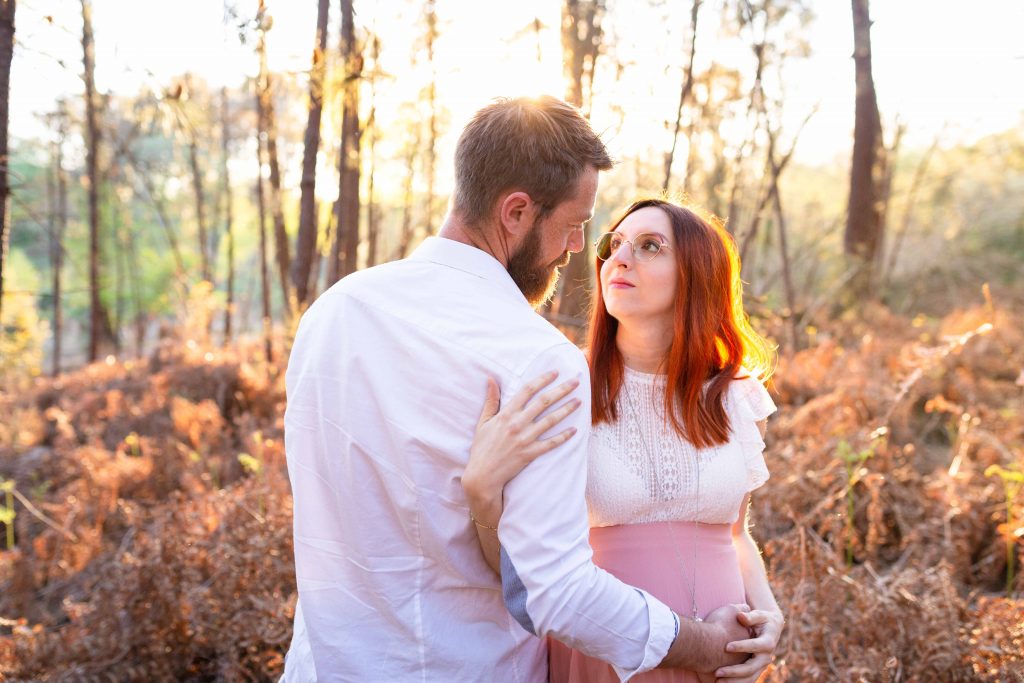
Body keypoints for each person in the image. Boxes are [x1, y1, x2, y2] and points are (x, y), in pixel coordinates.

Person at [280, 97, 753, 681]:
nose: (579, 248)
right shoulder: (537, 358)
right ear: (517, 212)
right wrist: (705, 647)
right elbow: (558, 592)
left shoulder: (332, 312)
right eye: (575, 226)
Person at [463, 198, 785, 682]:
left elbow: (737, 534)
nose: (620, 258)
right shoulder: (563, 388)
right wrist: (483, 495)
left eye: (650, 246)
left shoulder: (736, 396)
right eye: (614, 245)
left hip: (723, 653)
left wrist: (769, 612)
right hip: (607, 657)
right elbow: (522, 569)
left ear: (699, 274)